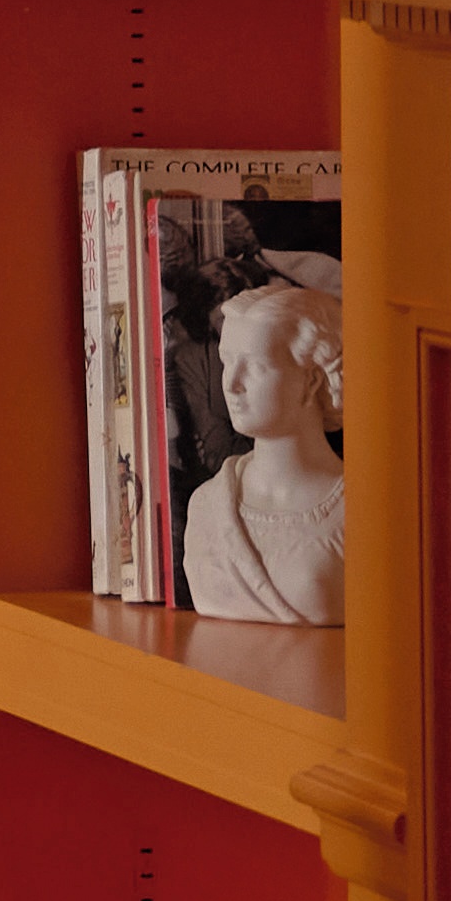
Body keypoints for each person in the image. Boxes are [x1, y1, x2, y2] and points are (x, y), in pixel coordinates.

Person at [177, 263, 347, 630]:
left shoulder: (360, 515)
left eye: (254, 366)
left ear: (312, 380)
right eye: (226, 362)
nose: (232, 384)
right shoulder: (208, 506)